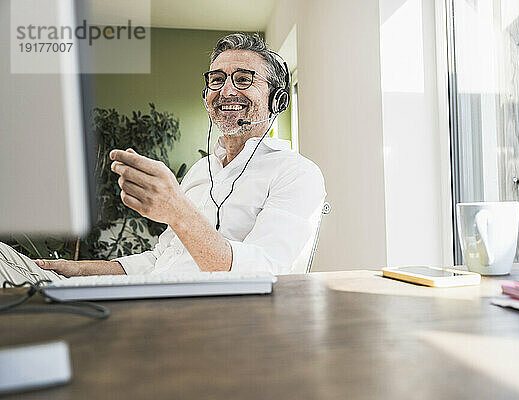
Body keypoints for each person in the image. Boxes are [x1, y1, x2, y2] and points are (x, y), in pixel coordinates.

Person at [0, 33, 326, 284]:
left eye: (243, 79)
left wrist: (177, 210)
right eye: (217, 79)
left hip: (209, 321)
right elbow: (160, 260)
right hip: (152, 297)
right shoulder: (201, 171)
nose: (225, 91)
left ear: (278, 99)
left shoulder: (296, 173)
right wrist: (78, 270)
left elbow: (262, 273)